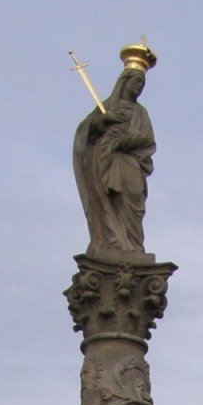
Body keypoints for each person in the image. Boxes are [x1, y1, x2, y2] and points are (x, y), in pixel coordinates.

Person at [72, 53, 156, 257]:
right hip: (106, 163)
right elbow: (85, 132)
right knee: (110, 202)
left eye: (142, 85)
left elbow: (147, 140)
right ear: (125, 81)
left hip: (130, 165)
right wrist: (100, 122)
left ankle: (134, 245)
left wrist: (122, 141)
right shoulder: (107, 107)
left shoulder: (141, 113)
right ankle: (114, 242)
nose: (138, 87)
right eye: (136, 82)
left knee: (133, 205)